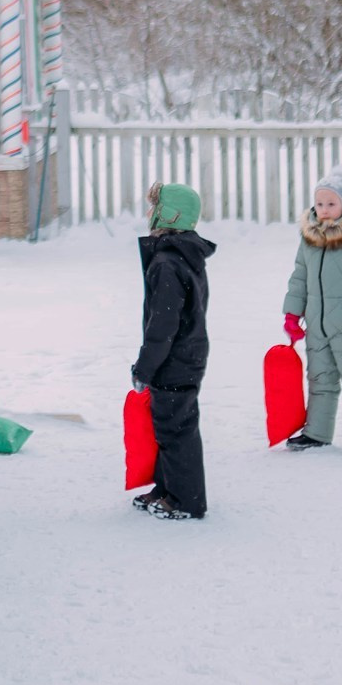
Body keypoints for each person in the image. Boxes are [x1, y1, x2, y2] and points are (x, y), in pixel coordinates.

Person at [282, 165, 342, 452]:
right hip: (316, 324)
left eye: (331, 203)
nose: (324, 209)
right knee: (320, 378)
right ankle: (317, 433)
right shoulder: (309, 240)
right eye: (319, 203)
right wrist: (292, 313)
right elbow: (299, 277)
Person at [131, 183, 213, 519]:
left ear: (170, 214)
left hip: (175, 360)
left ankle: (187, 500)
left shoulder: (167, 263)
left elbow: (162, 326)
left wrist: (144, 367)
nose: (148, 213)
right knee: (166, 427)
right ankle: (167, 488)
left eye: (154, 207)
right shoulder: (178, 256)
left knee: (177, 430)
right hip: (182, 356)